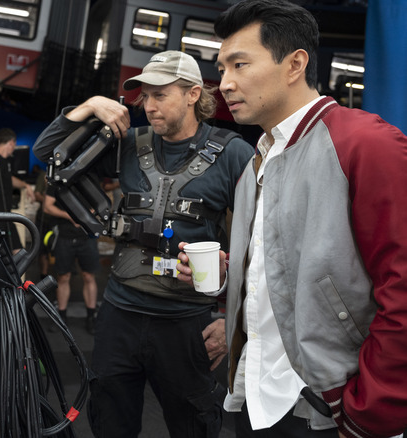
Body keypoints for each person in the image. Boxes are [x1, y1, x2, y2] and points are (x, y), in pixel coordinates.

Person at [181, 1, 407, 436]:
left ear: (294, 64)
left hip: (328, 410)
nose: (224, 83)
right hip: (252, 395)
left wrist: (369, 411)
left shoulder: (367, 144)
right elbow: (294, 274)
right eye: (221, 67)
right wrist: (231, 280)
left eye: (239, 64)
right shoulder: (256, 163)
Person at [33, 51, 254, 437]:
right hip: (119, 314)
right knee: (110, 421)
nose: (148, 107)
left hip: (187, 323)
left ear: (192, 94)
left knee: (193, 425)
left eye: (160, 95)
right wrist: (87, 107)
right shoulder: (128, 145)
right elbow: (47, 154)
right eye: (144, 97)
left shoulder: (233, 154)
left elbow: (263, 245)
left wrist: (234, 322)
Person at [43, 186, 100, 334]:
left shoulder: (89, 177)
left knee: (89, 276)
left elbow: (101, 203)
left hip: (87, 236)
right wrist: (70, 216)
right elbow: (47, 207)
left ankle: (91, 317)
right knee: (63, 277)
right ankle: (61, 317)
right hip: (64, 236)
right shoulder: (58, 180)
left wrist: (85, 216)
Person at [0, 128, 35, 249]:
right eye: (14, 145)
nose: (13, 148)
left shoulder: (3, 162)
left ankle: (15, 268)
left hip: (6, 217)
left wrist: (26, 185)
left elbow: (10, 179)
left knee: (18, 251)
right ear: (11, 143)